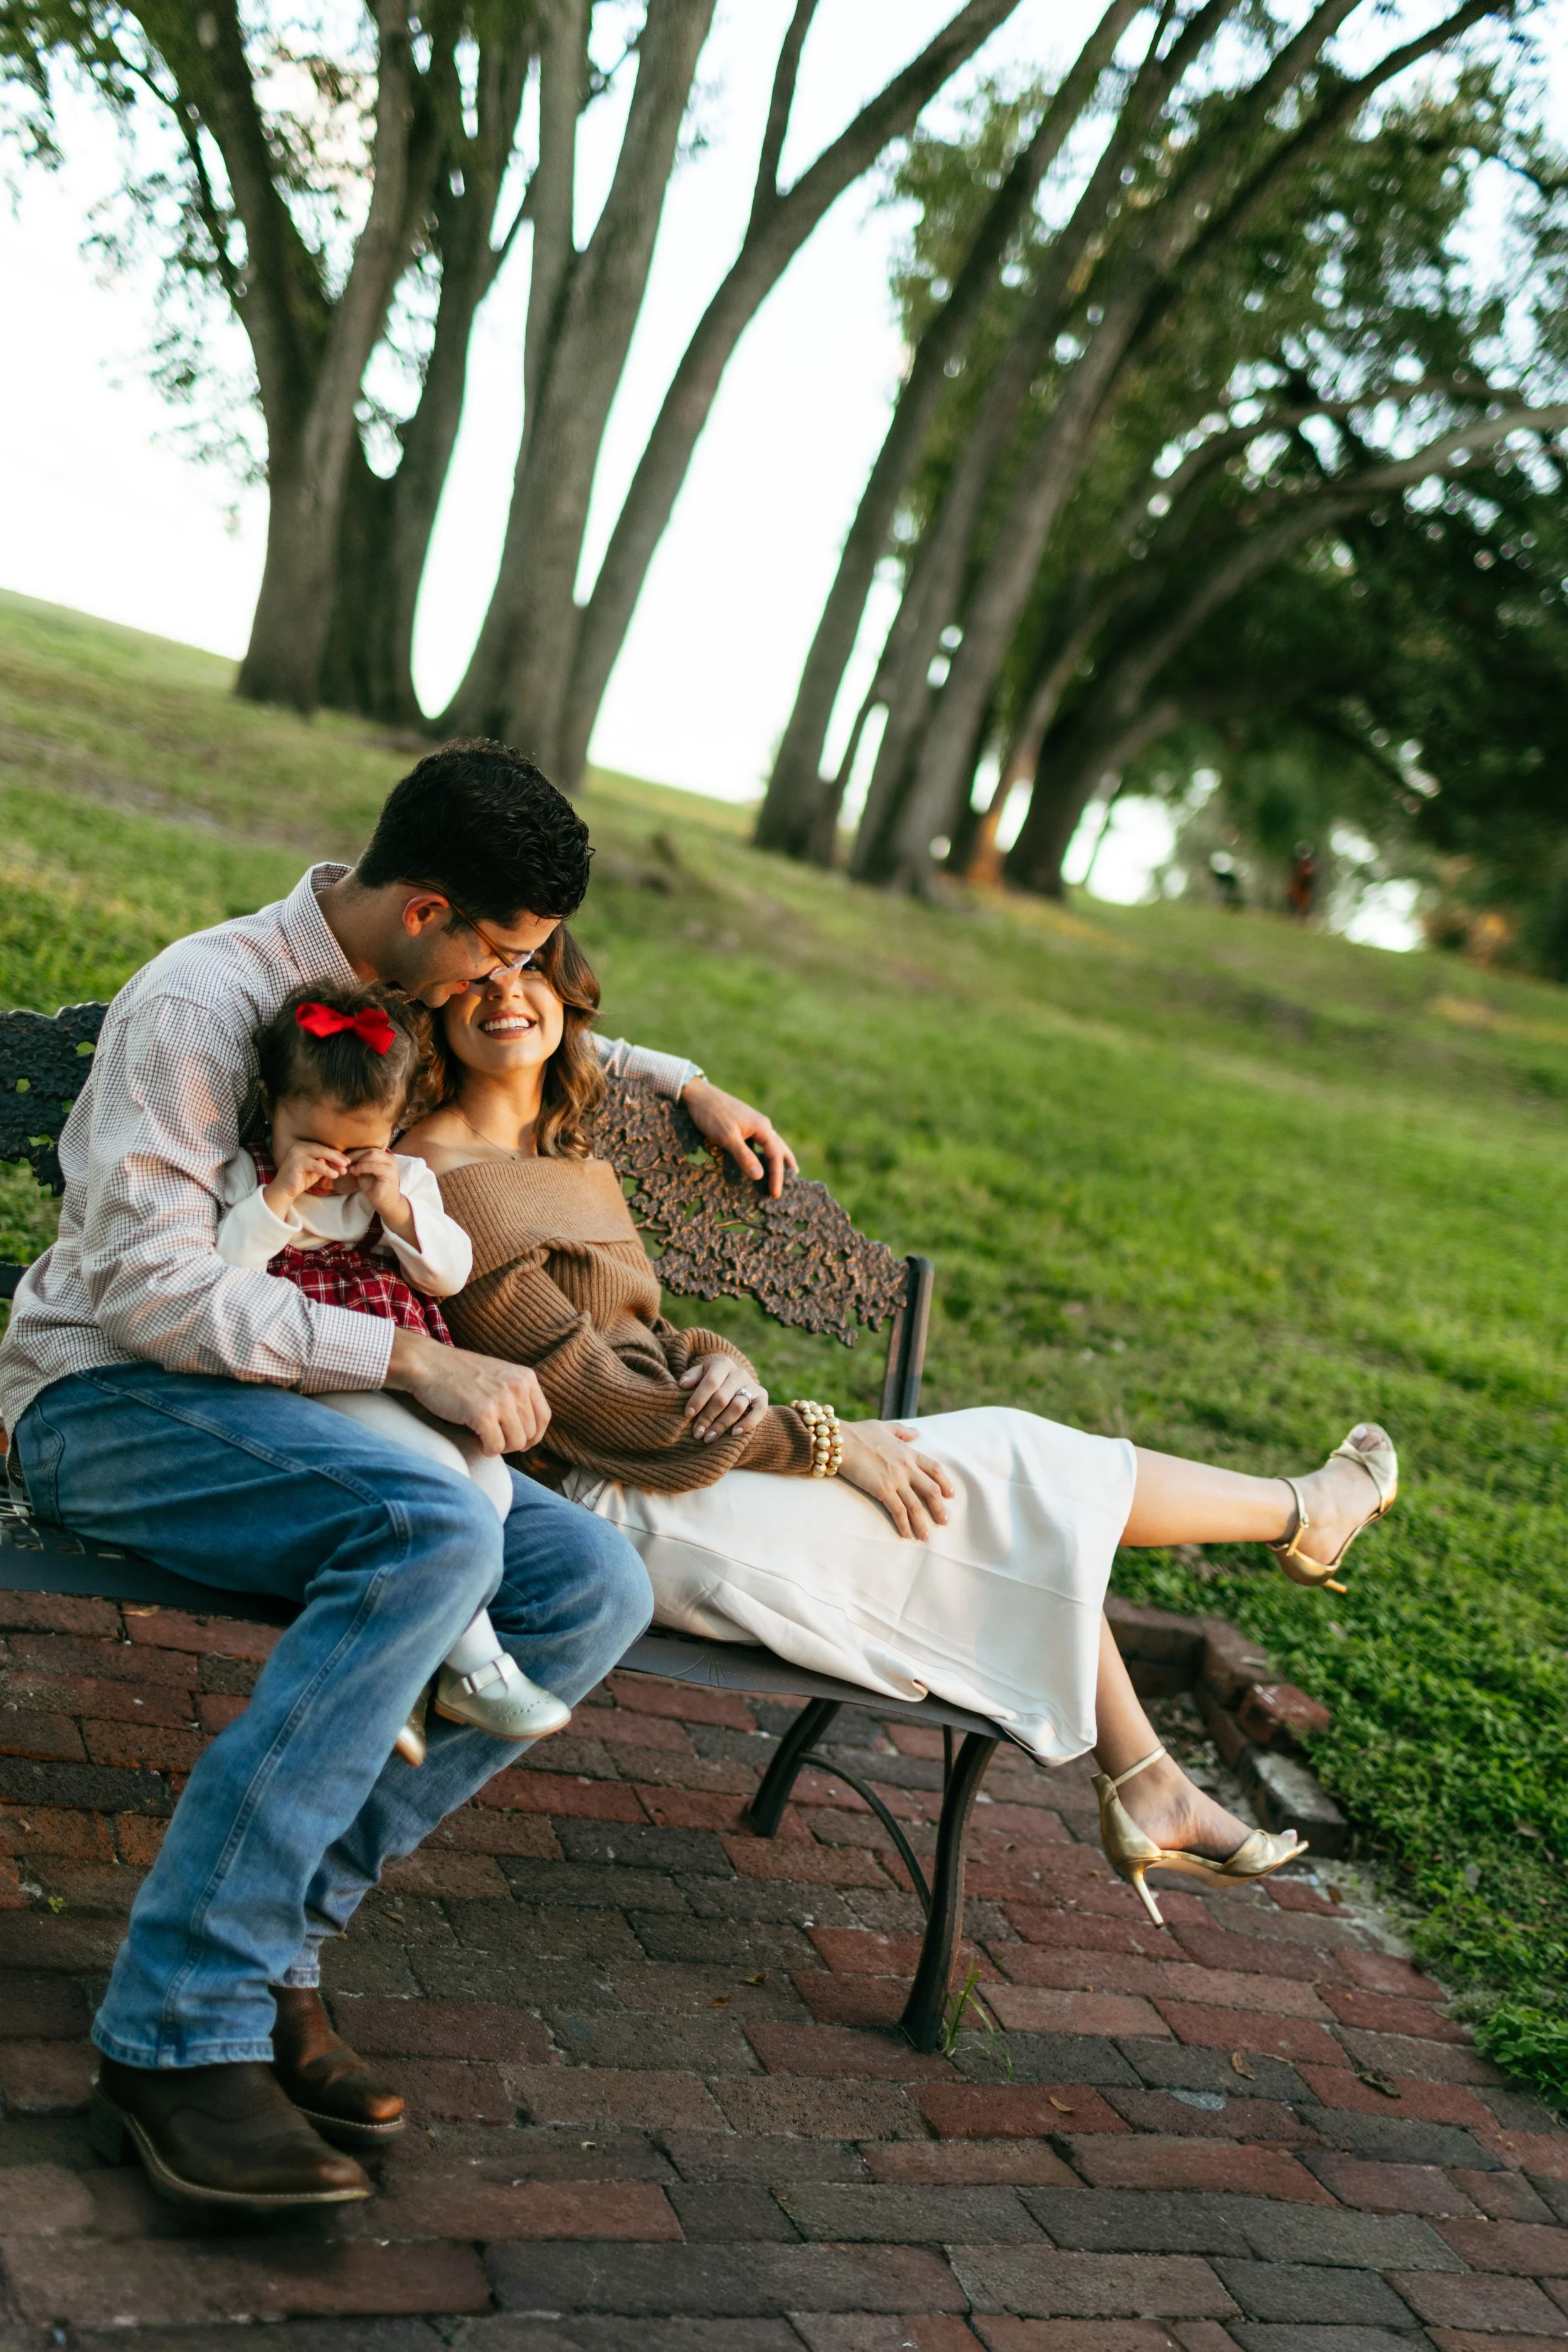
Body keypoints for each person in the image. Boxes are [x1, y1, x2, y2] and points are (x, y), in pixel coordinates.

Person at [0, 738, 793, 2212]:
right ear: (427, 910)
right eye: (495, 947)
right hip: (109, 1397)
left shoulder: (405, 995)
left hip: (301, 1413)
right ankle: (181, 2029)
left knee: (589, 1579)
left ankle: (282, 1933)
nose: (503, 983)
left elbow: (564, 1049)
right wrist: (414, 1363)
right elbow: (143, 1292)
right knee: (433, 1525)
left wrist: (691, 1083)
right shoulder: (202, 999)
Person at [403, 929, 1398, 1931]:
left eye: (530, 970)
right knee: (986, 1485)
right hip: (616, 1502)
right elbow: (594, 1403)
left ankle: (1158, 1767)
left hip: (686, 1454)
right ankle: (1262, 1577)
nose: (506, 994)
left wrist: (722, 1354)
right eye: (479, 979)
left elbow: (639, 1331)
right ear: (438, 1004)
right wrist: (827, 1441)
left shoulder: (562, 1147)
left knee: (994, 1471)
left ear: (570, 996)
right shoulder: (443, 1175)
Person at [216, 980, 570, 1754]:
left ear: (394, 1126)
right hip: (319, 1369)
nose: (335, 1168)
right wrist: (279, 1196)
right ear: (273, 1104)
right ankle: (477, 1670)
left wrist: (403, 1212)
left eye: (357, 1149)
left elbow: (447, 1273)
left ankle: (406, 1671)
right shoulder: (250, 1178)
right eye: (313, 1142)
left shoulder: (401, 1183)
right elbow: (224, 1269)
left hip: (405, 1365)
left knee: (492, 1479)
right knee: (441, 1475)